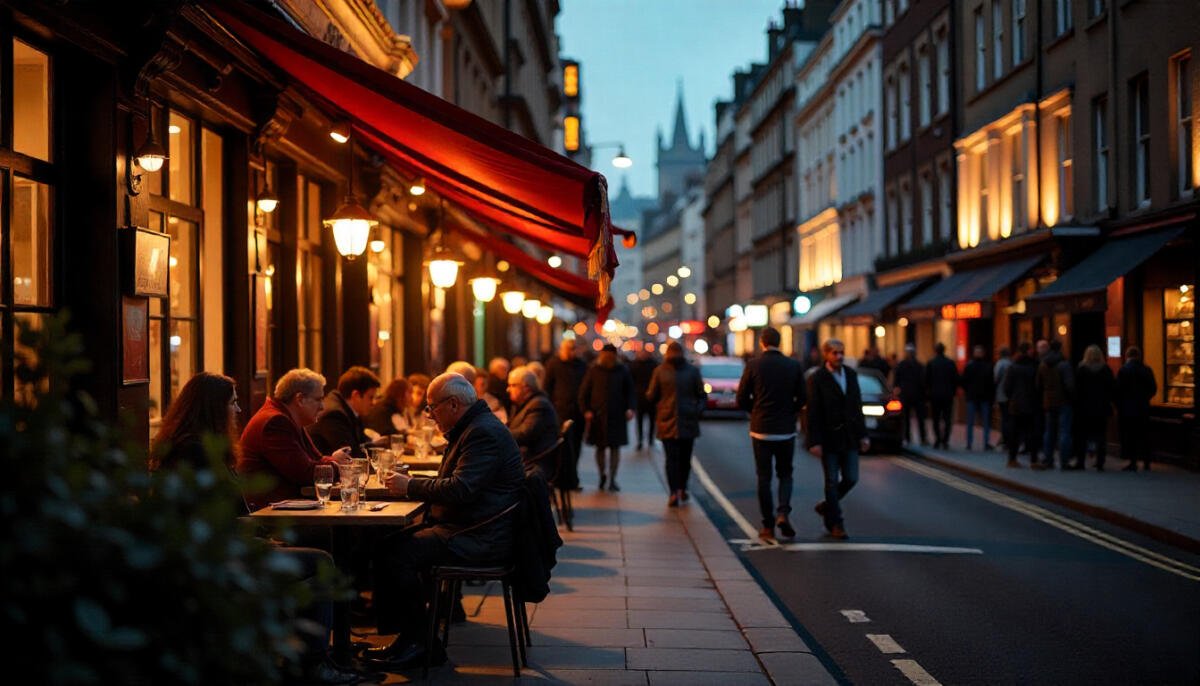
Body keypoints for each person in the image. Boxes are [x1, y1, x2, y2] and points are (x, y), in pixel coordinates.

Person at [154, 373, 355, 684]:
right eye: (232, 403)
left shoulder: (199, 446)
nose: (238, 411)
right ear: (212, 408)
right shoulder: (194, 452)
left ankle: (315, 658)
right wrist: (256, 540)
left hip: (228, 545)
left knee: (318, 554)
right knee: (321, 562)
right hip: (216, 557)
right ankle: (313, 665)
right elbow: (205, 516)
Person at [366, 373, 524, 669]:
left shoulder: (482, 432)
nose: (428, 414)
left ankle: (419, 644)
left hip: (481, 537)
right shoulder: (474, 426)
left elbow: (460, 489)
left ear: (453, 404)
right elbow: (456, 483)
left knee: (396, 554)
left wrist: (410, 486)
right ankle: (413, 638)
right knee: (388, 545)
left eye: (431, 407)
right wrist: (411, 483)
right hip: (472, 526)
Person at [238, 369, 351, 511]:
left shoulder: (289, 417)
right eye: (318, 399)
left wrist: (332, 462)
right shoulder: (276, 421)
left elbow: (317, 460)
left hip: (288, 508)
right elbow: (307, 473)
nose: (322, 406)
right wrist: (340, 467)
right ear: (300, 399)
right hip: (269, 516)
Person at [736, 327, 805, 541]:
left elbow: (741, 398)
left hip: (761, 430)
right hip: (785, 430)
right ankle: (783, 512)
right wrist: (790, 413)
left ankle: (767, 525)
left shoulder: (753, 365)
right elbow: (802, 397)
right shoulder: (793, 365)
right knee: (785, 474)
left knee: (764, 478)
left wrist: (754, 410)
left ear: (762, 343)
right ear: (780, 342)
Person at [806, 339, 868, 540]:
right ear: (826, 354)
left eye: (841, 352)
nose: (839, 356)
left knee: (851, 478)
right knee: (831, 482)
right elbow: (813, 412)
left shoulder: (850, 374)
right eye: (834, 352)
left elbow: (856, 406)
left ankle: (826, 506)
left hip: (849, 437)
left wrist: (863, 435)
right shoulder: (818, 378)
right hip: (828, 438)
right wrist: (814, 441)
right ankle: (836, 523)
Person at [648, 341, 706, 508]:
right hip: (688, 420)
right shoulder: (692, 371)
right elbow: (702, 395)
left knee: (671, 459)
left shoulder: (659, 371)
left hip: (667, 419)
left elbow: (652, 395)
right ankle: (682, 488)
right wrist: (697, 410)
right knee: (685, 459)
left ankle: (674, 491)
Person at [579, 343, 636, 492]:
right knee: (600, 447)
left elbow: (630, 391)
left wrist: (630, 408)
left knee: (614, 448)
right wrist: (586, 410)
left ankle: (612, 478)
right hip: (598, 416)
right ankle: (602, 475)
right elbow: (583, 393)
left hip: (617, 415)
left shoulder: (622, 370)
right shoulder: (594, 370)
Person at [307, 366, 382, 459]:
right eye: (371, 397)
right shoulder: (334, 415)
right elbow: (351, 456)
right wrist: (382, 454)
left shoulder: (352, 410)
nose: (373, 403)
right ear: (356, 395)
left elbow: (362, 445)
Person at [544, 338, 587, 489]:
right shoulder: (553, 364)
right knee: (563, 447)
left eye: (573, 348)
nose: (571, 351)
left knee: (576, 445)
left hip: (578, 412)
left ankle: (573, 478)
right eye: (568, 348)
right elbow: (547, 387)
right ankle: (562, 478)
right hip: (560, 411)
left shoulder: (582, 365)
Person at [506, 365, 560, 480]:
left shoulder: (538, 405)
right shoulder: (528, 403)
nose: (508, 389)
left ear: (526, 388)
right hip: (528, 457)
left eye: (512, 385)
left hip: (534, 462)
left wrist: (499, 434)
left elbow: (525, 434)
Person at [1072, 344, 1115, 471]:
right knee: (1100, 435)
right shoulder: (1106, 369)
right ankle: (1100, 462)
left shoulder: (1081, 369)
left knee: (1082, 436)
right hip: (1101, 407)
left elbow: (1076, 389)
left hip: (1084, 408)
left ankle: (1081, 462)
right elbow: (1111, 388)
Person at [1116, 346, 1157, 471]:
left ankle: (1133, 462)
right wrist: (1145, 398)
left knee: (1131, 435)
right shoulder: (1146, 369)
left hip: (1128, 408)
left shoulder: (1124, 370)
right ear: (1139, 356)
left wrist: (1120, 404)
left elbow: (1118, 389)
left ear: (1127, 356)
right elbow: (1153, 388)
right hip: (1143, 407)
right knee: (1144, 435)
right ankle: (1147, 462)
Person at [1036, 339, 1074, 469]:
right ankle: (1064, 461)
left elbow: (1038, 385)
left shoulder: (1043, 364)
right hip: (1064, 402)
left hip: (1048, 401)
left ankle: (1048, 459)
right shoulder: (1064, 364)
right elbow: (1070, 385)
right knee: (1064, 432)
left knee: (1049, 431)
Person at [1003, 342, 1040, 468]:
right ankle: (1034, 460)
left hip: (1016, 404)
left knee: (1015, 433)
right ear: (1029, 351)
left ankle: (1012, 459)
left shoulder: (1013, 366)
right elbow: (1038, 386)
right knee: (1032, 432)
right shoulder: (1035, 366)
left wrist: (1012, 398)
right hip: (1031, 403)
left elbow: (1007, 387)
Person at [924, 342, 959, 449]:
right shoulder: (950, 363)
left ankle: (938, 439)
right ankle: (945, 440)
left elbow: (926, 380)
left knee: (936, 418)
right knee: (947, 419)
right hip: (948, 395)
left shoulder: (931, 363)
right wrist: (953, 392)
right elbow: (955, 379)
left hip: (935, 396)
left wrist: (928, 394)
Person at [892, 344, 928, 446]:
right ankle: (915, 438)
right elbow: (897, 380)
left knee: (913, 418)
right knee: (910, 418)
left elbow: (896, 381)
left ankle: (914, 438)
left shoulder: (912, 365)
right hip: (912, 395)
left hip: (911, 395)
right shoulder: (916, 365)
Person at [961, 345, 995, 450]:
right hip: (981, 397)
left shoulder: (970, 366)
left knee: (974, 422)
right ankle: (981, 443)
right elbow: (991, 383)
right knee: (983, 422)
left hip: (975, 396)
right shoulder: (987, 366)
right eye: (977, 352)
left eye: (979, 352)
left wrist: (968, 391)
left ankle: (972, 443)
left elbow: (963, 381)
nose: (978, 354)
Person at [629, 348, 659, 450]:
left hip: (648, 398)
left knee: (650, 421)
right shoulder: (635, 365)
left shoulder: (653, 365)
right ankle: (641, 440)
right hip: (640, 397)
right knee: (641, 421)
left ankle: (649, 439)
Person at [993, 346, 1013, 451]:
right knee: (1009, 418)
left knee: (1004, 419)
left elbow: (996, 379)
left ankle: (1005, 440)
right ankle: (1009, 440)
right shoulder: (1011, 363)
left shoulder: (1000, 364)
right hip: (1011, 396)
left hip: (1001, 395)